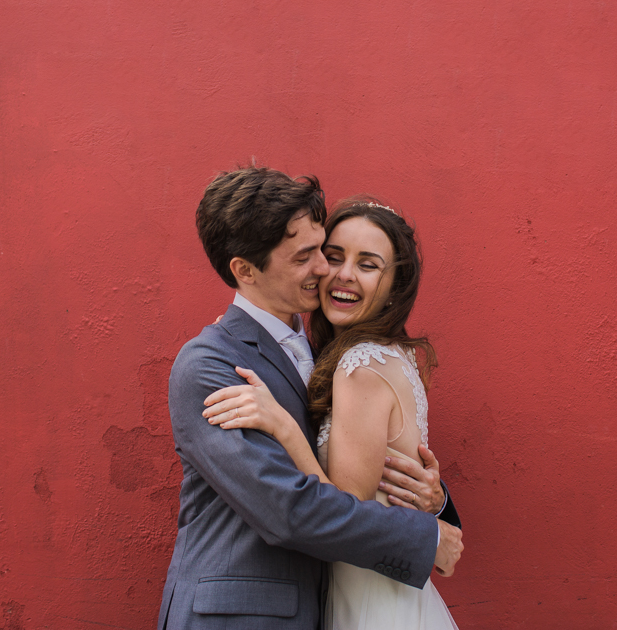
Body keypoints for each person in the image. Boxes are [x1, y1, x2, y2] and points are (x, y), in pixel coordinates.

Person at [159, 167, 463, 630]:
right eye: (306, 257)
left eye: (322, 249)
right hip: (240, 619)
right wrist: (427, 540)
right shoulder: (211, 366)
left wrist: (435, 502)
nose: (325, 269)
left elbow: (369, 466)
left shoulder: (335, 354)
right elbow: (288, 510)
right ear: (245, 270)